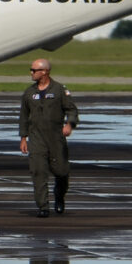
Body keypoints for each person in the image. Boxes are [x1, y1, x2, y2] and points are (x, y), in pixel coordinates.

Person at [16, 58, 77, 217]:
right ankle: (43, 207)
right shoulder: (29, 93)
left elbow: (71, 110)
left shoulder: (59, 90)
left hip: (56, 138)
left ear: (45, 72)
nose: (31, 73)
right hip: (36, 139)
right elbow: (23, 116)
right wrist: (23, 137)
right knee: (38, 172)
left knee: (62, 172)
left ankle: (59, 197)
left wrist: (69, 124)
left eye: (34, 70)